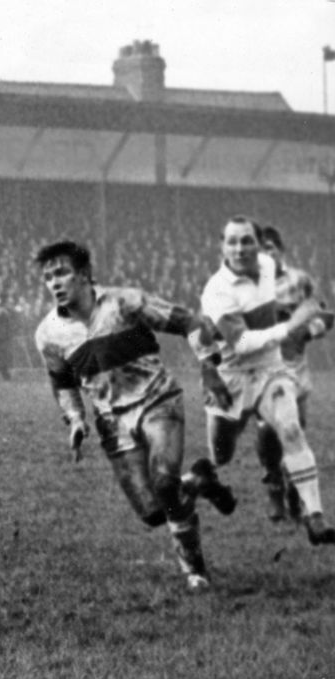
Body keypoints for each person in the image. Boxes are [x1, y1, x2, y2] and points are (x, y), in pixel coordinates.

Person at [33, 240, 233, 590]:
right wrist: (76, 418)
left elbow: (189, 320)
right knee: (152, 511)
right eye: (48, 277)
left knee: (165, 484)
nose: (54, 283)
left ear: (84, 275)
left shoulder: (125, 302)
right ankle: (199, 482)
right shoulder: (48, 334)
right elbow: (63, 382)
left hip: (157, 401)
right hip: (112, 422)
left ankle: (195, 570)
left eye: (62, 272)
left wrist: (209, 368)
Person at [196, 217, 335, 545]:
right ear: (222, 246)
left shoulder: (271, 267)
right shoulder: (217, 290)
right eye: (232, 241)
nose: (239, 248)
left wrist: (309, 320)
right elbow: (242, 343)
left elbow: (317, 309)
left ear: (260, 245)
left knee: (290, 429)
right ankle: (206, 477)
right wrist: (291, 327)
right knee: (221, 455)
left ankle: (314, 516)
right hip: (230, 378)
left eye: (246, 241)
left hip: (271, 371)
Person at [250, 226, 331, 522]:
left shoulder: (299, 281)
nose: (266, 253)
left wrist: (308, 332)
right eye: (261, 249)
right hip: (263, 371)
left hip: (295, 370)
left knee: (295, 431)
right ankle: (274, 484)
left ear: (281, 251)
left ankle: (295, 490)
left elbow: (323, 313)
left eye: (271, 247)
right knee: (267, 429)